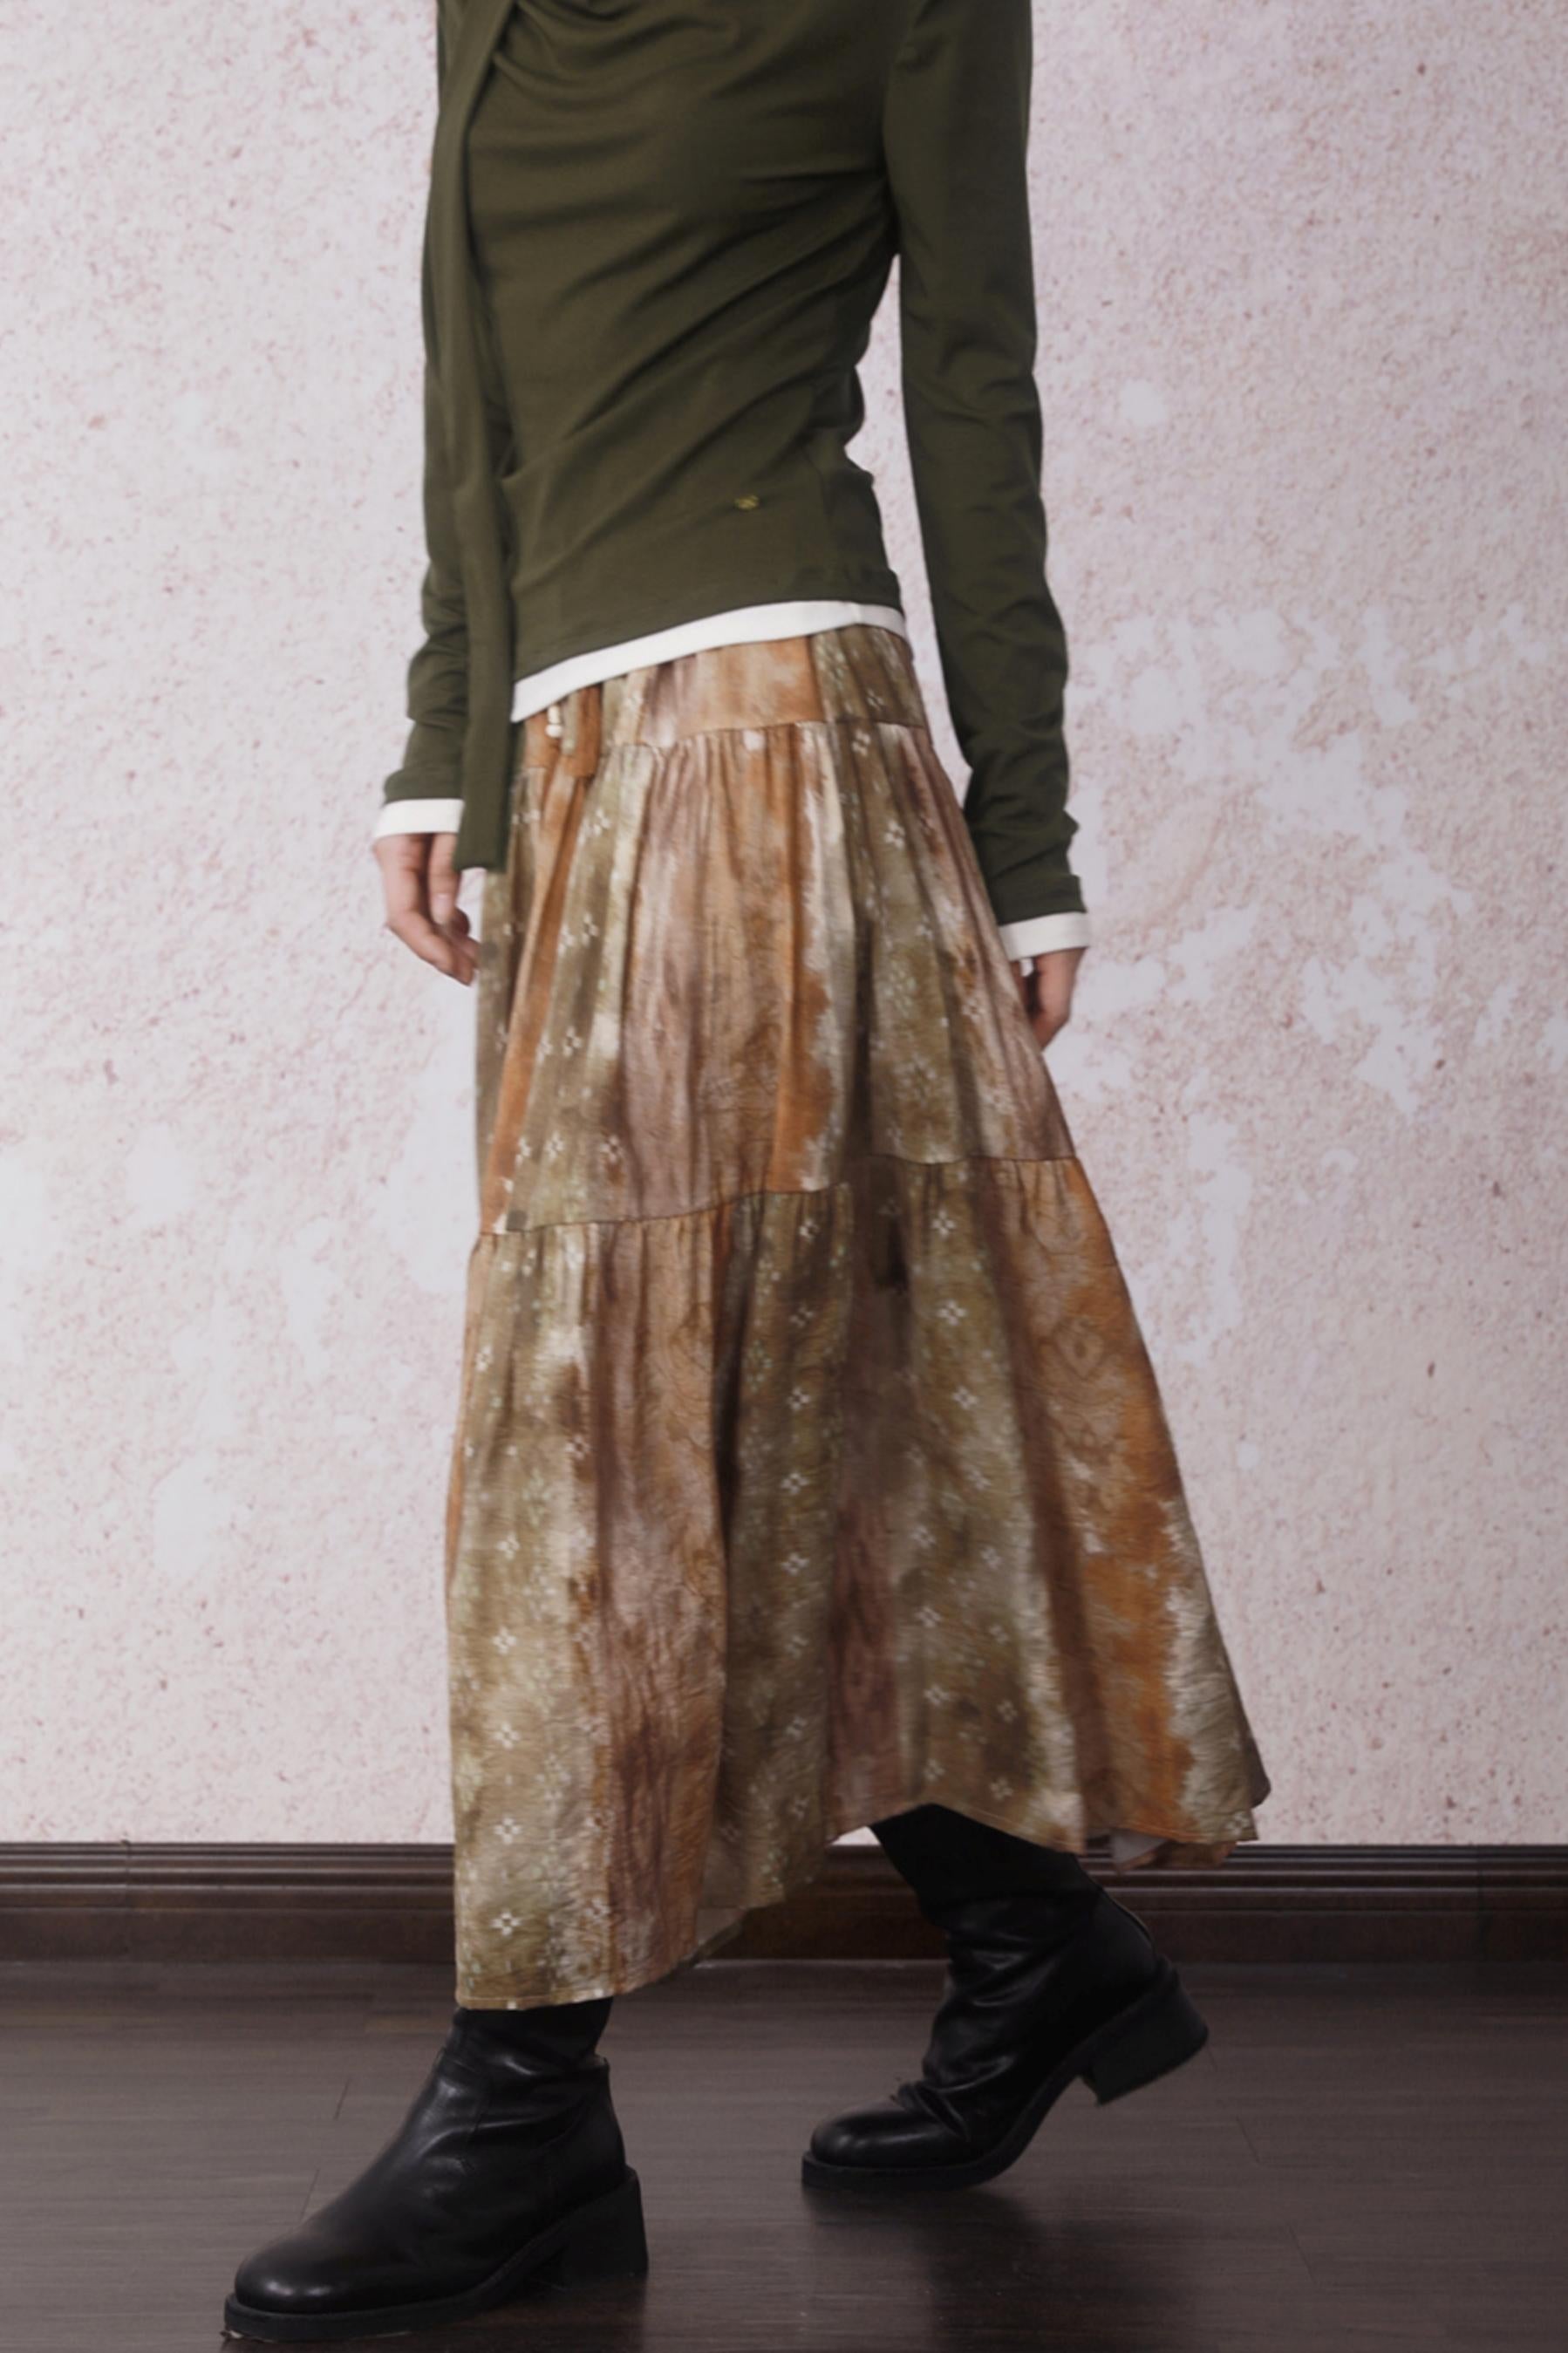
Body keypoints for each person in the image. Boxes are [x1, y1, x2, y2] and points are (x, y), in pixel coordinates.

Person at [224, 2, 1268, 2338]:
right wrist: (443, 731)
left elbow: (975, 390)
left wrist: (1030, 833)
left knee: (593, 1426)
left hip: (776, 738)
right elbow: (474, 391)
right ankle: (1033, 1939)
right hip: (572, 757)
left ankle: (523, 2104)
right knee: (808, 1412)